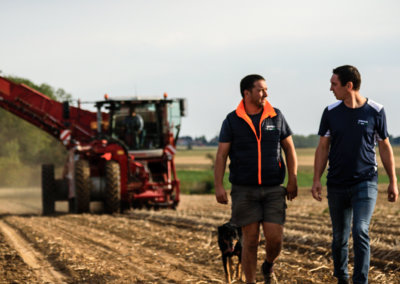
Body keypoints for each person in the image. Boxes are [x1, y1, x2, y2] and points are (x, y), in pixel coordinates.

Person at [311, 65, 399, 284]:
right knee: (340, 237)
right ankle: (342, 277)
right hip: (337, 183)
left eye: (334, 84)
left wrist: (393, 181)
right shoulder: (331, 112)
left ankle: (361, 281)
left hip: (365, 181)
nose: (331, 88)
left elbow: (385, 147)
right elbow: (323, 147)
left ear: (348, 86)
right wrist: (316, 180)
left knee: (360, 230)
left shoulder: (376, 111)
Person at [214, 74, 298, 284]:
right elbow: (222, 155)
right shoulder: (232, 120)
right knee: (250, 241)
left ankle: (268, 265)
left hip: (273, 188)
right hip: (244, 190)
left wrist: (293, 179)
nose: (266, 94)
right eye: (261, 90)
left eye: (266, 89)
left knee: (275, 238)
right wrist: (219, 185)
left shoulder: (276, 116)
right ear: (247, 93)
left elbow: (289, 148)